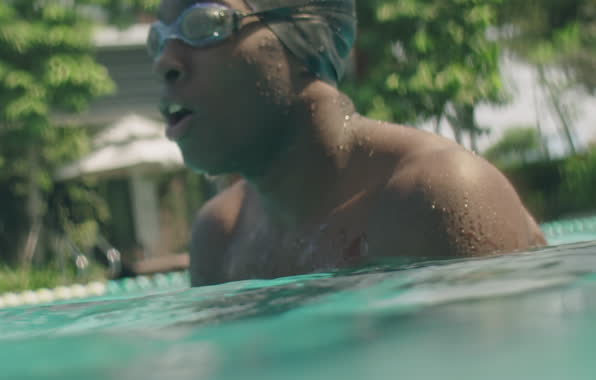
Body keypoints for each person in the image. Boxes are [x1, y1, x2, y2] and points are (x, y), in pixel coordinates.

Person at [148, 0, 547, 287]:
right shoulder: (220, 238)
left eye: (205, 23)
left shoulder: (432, 197)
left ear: (306, 37)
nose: (165, 61)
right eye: (158, 39)